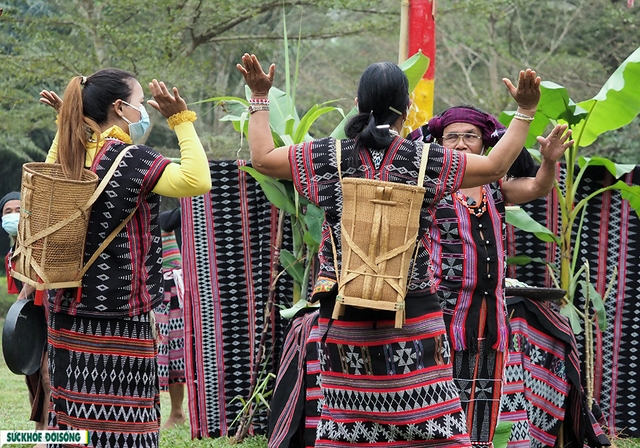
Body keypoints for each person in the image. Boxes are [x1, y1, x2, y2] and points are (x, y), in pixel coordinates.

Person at [236, 53, 567, 447]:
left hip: (344, 310)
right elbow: (496, 166)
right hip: (413, 310)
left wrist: (259, 96)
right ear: (407, 108)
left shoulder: (327, 156)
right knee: (431, 424)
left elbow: (261, 159)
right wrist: (525, 110)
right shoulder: (425, 159)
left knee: (348, 418)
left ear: (359, 105)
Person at [32, 68, 211, 448]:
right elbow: (198, 181)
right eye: (140, 102)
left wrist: (71, 125)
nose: (144, 108)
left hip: (65, 307)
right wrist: (181, 119)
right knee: (124, 422)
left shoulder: (69, 153)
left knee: (71, 413)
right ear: (120, 107)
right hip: (119, 311)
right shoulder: (133, 160)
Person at [422, 106, 572, 447]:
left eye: (470, 136)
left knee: (485, 392)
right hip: (442, 312)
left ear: (485, 144)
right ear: (439, 142)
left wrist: (548, 161)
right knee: (440, 393)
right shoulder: (429, 186)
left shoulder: (494, 187)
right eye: (452, 137)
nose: (460, 145)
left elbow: (535, 187)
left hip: (489, 313)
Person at [2, 191, 51, 445]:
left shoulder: (39, 243)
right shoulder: (11, 256)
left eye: (18, 210)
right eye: (7, 212)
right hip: (32, 321)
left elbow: (35, 280)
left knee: (47, 374)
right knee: (31, 376)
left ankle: (50, 432)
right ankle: (40, 427)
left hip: (52, 314)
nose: (13, 216)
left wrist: (24, 295)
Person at [156, 207, 187, 429]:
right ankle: (150, 413)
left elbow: (183, 210)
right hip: (150, 293)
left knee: (176, 355)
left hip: (172, 294)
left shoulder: (162, 220)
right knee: (152, 356)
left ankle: (177, 412)